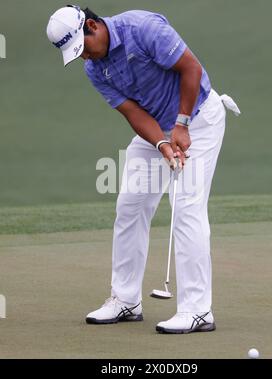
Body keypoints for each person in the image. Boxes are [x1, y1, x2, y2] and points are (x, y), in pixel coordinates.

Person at [46, 5, 240, 334]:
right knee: (130, 204)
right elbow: (134, 113)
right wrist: (162, 144)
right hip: (158, 129)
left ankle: (197, 310)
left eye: (83, 47)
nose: (85, 58)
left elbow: (191, 68)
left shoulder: (142, 28)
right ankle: (125, 300)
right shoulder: (95, 69)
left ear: (92, 25)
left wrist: (181, 125)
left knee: (186, 207)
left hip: (199, 118)